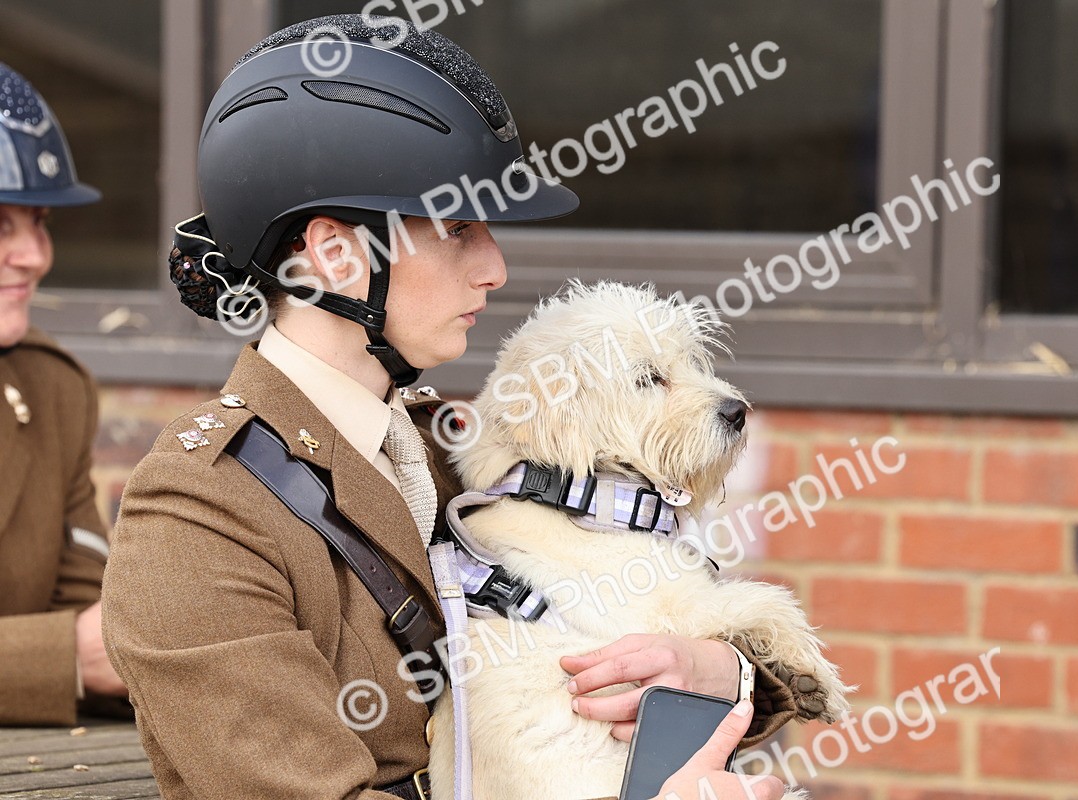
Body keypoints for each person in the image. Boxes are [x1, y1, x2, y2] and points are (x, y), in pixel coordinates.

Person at [101, 16, 797, 799]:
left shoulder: (449, 447)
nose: (494, 267)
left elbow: (655, 610)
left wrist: (713, 667)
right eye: (459, 228)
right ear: (335, 253)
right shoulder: (199, 514)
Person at [0, 62, 128, 726]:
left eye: (40, 222)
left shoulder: (49, 389)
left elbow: (95, 617)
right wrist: (63, 657)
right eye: (1, 226)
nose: (34, 256)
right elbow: (81, 647)